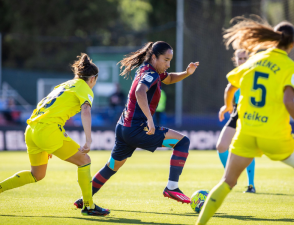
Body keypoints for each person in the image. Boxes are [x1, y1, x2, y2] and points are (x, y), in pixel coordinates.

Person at [196, 16, 294, 225]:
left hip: (246, 132)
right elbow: (288, 100)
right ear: (292, 44)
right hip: (274, 135)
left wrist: (227, 105)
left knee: (227, 182)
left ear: (273, 39)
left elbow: (231, 86)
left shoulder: (253, 60)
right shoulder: (291, 68)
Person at [74, 41, 199, 209]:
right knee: (183, 142)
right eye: (166, 59)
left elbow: (168, 79)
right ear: (154, 57)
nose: (168, 64)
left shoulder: (147, 70)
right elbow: (140, 91)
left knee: (111, 166)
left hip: (123, 128)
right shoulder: (151, 74)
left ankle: (84, 198)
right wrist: (149, 119)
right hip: (137, 129)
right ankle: (171, 187)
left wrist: (186, 72)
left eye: (170, 60)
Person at [0, 53, 110, 217]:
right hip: (48, 130)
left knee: (36, 175)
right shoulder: (85, 88)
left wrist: (46, 140)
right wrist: (88, 139)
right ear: (93, 78)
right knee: (85, 160)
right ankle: (88, 206)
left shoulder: (64, 85)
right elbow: (86, 110)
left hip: (32, 129)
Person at [216, 49, 256, 193]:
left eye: (245, 58)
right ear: (235, 59)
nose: (243, 61)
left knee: (248, 149)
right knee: (221, 146)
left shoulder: (254, 73)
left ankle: (251, 185)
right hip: (237, 112)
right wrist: (227, 107)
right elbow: (230, 92)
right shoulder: (235, 75)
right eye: (240, 58)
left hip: (251, 114)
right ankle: (231, 176)